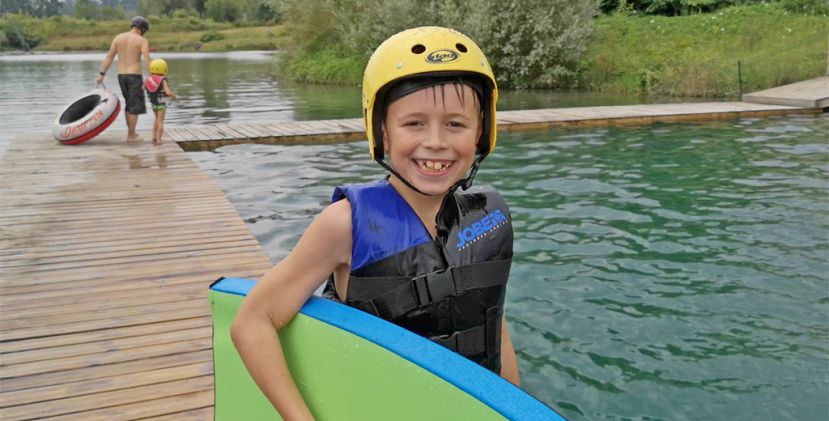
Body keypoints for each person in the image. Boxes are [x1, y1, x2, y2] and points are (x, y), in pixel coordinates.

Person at [230, 26, 520, 419]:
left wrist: (515, 408)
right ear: (381, 129)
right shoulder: (345, 224)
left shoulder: (488, 217)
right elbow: (253, 321)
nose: (435, 141)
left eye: (456, 124)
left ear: (482, 130)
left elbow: (492, 319)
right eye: (414, 123)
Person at [95, 16, 151, 142]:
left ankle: (132, 133)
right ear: (142, 29)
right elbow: (147, 59)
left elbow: (109, 56)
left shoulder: (118, 38)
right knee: (134, 106)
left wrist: (101, 74)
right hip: (134, 76)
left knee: (129, 105)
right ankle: (131, 136)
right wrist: (153, 76)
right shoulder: (142, 40)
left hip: (121, 76)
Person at [145, 58, 177, 145]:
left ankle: (154, 137)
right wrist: (174, 96)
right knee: (160, 121)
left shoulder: (148, 79)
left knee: (156, 119)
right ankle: (159, 140)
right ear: (164, 68)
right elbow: (167, 92)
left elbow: (143, 89)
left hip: (153, 103)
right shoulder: (163, 80)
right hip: (161, 103)